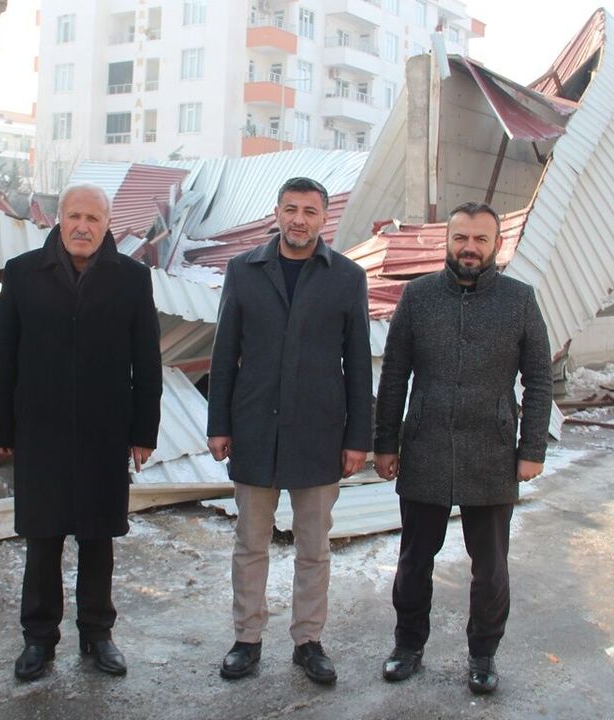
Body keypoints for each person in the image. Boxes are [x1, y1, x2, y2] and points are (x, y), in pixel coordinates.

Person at [0, 183, 162, 682]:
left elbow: (147, 362)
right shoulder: (22, 273)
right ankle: (38, 639)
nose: (83, 227)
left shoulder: (131, 278)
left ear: (107, 225)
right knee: (43, 536)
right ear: (58, 219)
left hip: (105, 430)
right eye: (75, 216)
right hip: (40, 429)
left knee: (98, 535)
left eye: (93, 219)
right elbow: (4, 358)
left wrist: (143, 432)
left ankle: (97, 633)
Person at [373, 201, 552, 694]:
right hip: (426, 446)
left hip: (492, 452)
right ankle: (407, 646)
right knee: (414, 560)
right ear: (447, 241)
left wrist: (532, 447)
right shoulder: (418, 296)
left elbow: (539, 379)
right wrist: (385, 442)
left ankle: (483, 654)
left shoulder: (519, 300)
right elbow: (394, 375)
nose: (469, 248)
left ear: (497, 245)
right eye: (460, 238)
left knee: (490, 567)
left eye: (479, 239)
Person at [206, 176, 373, 685]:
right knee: (250, 543)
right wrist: (219, 424)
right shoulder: (244, 270)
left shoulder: (346, 277)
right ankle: (246, 639)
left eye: (310, 211)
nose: (299, 219)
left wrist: (358, 437)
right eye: (291, 209)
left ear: (324, 219)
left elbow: (358, 363)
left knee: (313, 547)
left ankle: (308, 641)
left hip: (319, 433)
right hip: (255, 427)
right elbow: (224, 352)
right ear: (277, 213)